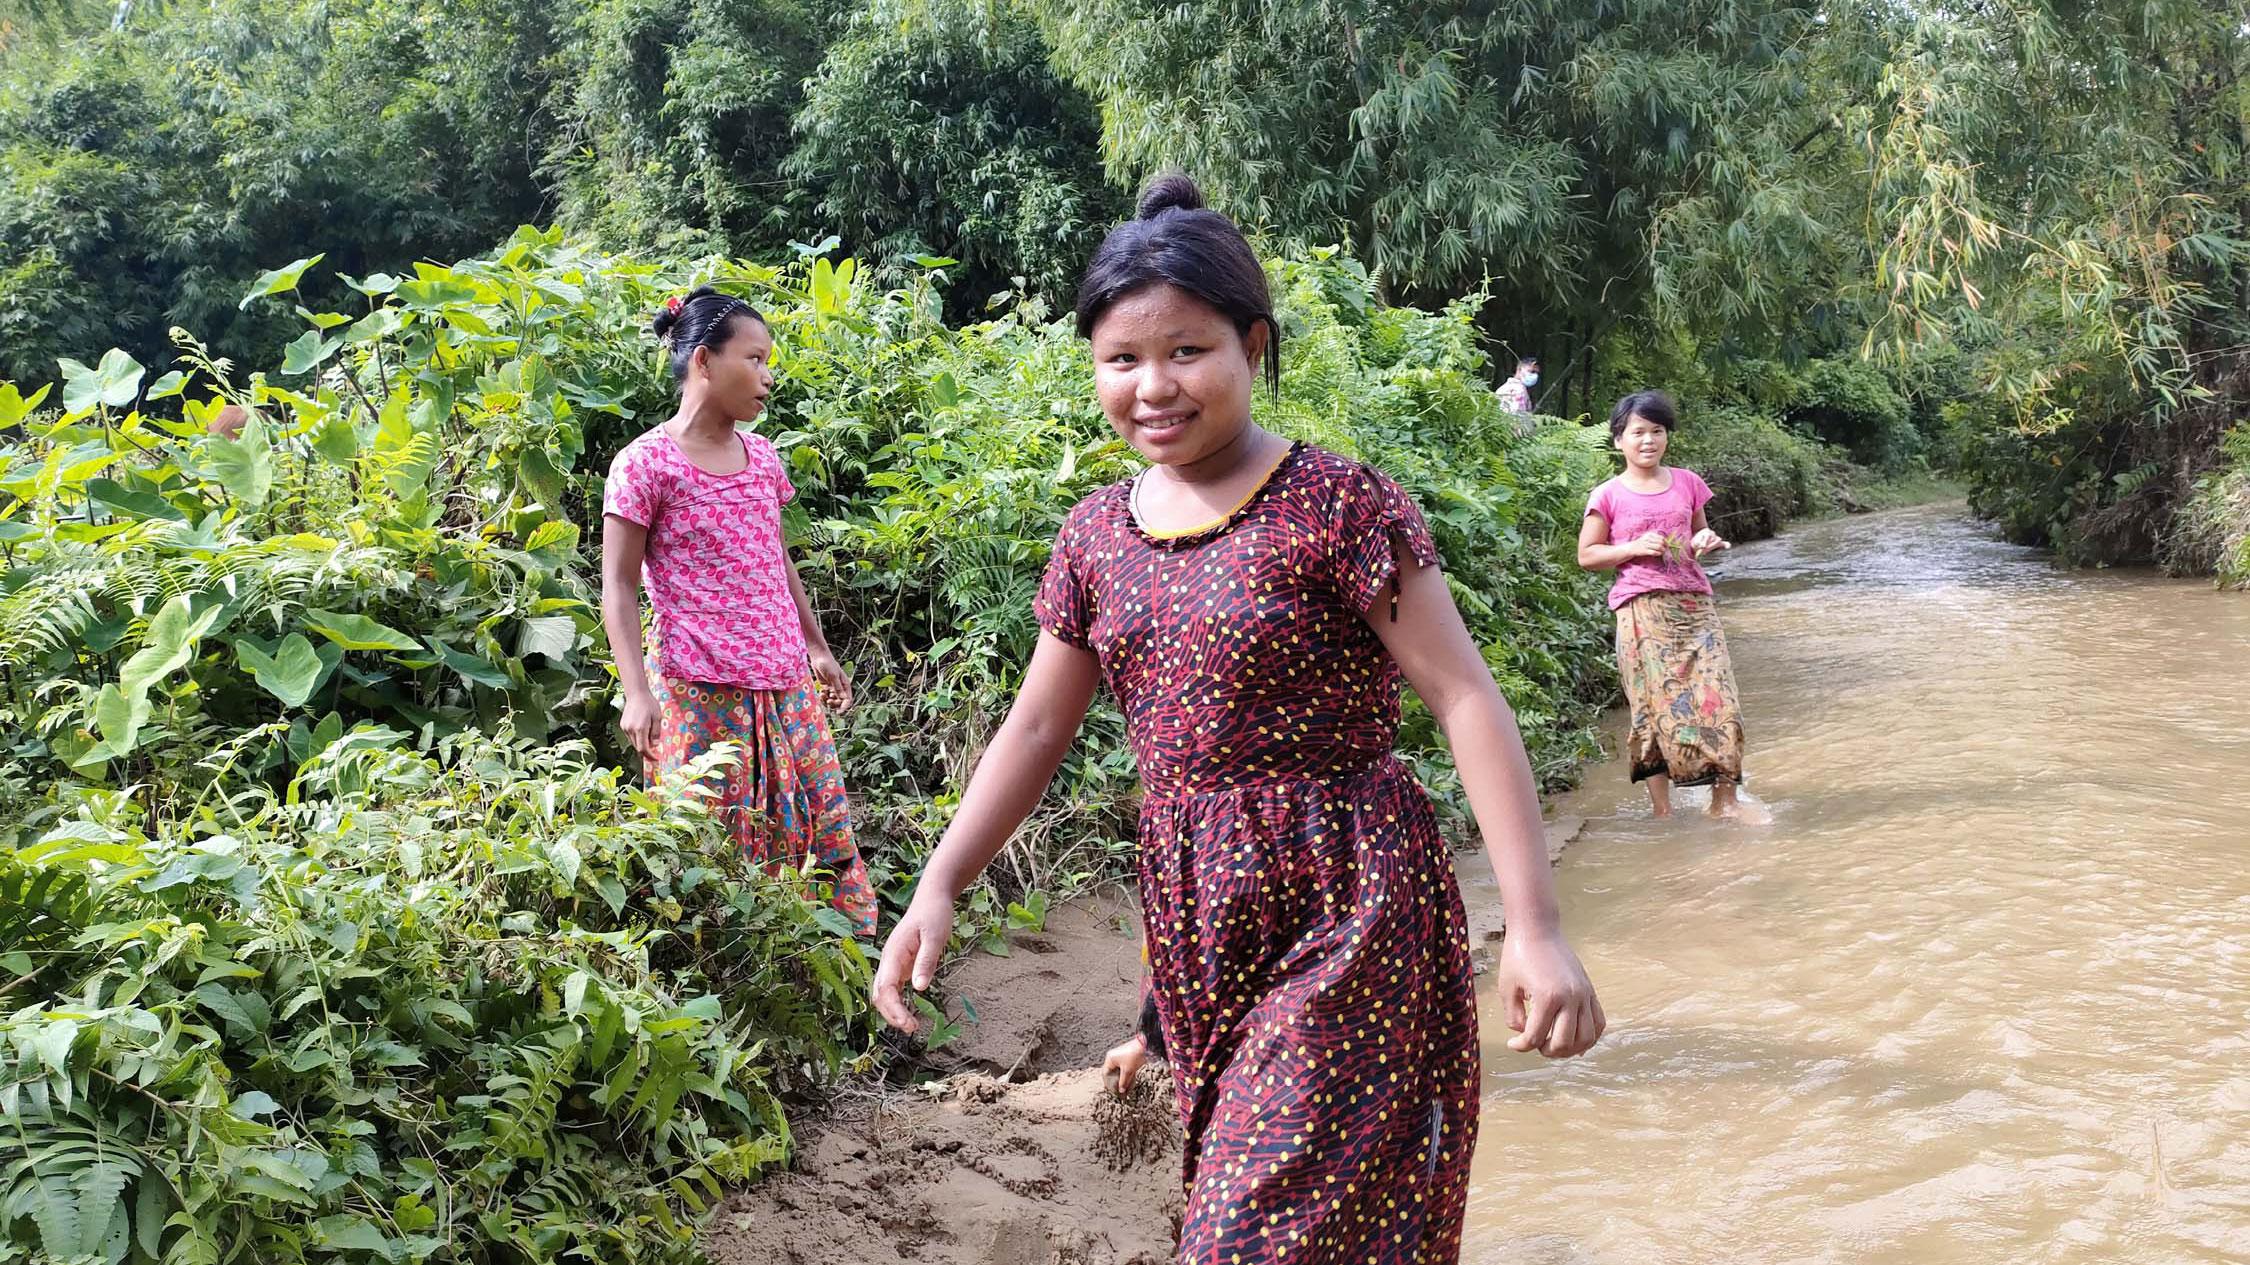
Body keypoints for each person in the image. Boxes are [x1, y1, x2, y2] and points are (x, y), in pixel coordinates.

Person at [871, 176, 1604, 1264]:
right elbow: (1033, 728)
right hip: (1201, 919)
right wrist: (940, 881)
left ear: (1253, 346)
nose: (1153, 386)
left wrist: (1536, 926)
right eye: (1122, 360)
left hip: (1354, 903)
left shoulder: (1340, 503)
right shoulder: (1093, 539)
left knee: (1250, 1237)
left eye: (1187, 352)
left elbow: (1463, 696)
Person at [600, 286, 877, 934]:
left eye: (767, 360)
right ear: (702, 361)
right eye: (753, 359)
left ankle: (833, 963)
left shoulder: (764, 460)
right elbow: (617, 585)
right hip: (700, 690)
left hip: (784, 685)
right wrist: (635, 692)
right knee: (708, 844)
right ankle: (729, 979)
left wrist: (816, 647)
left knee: (819, 823)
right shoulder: (643, 465)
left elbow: (777, 562)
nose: (767, 376)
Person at [1576, 390, 1761, 822]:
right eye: (1638, 432)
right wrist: (1633, 546)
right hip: (1640, 611)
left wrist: (1705, 541)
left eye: (1656, 431)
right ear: (1619, 439)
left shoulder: (1688, 483)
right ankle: (1663, 812)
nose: (1648, 440)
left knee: (1721, 699)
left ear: (1666, 436)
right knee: (1649, 708)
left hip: (1694, 607)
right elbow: (1587, 556)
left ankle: (1724, 802)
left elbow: (1698, 537)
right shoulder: (1607, 495)